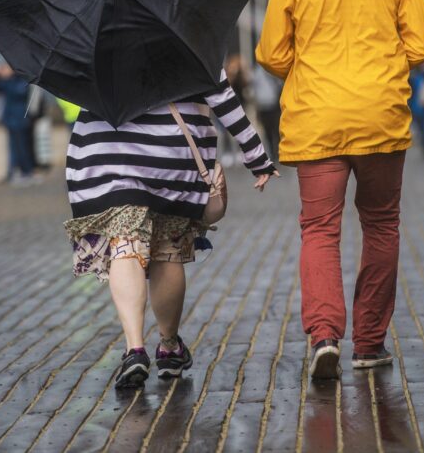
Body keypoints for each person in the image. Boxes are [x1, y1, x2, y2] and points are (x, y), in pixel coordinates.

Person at [256, 0, 424, 380]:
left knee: (319, 229)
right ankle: (370, 342)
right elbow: (422, 44)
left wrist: (310, 67)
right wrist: (383, 66)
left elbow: (271, 53)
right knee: (381, 225)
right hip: (381, 116)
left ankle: (325, 335)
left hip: (316, 120)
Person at [63, 69, 276, 389]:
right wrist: (256, 156)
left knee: (124, 243)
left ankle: (135, 348)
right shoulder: (186, 31)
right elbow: (221, 97)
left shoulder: (92, 36)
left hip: (108, 152)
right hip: (171, 154)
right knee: (167, 249)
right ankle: (169, 346)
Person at [0, 63, 36, 183]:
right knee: (12, 148)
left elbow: (19, 93)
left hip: (21, 119)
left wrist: (6, 78)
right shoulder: (7, 82)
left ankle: (27, 171)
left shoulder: (21, 80)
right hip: (10, 119)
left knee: (23, 148)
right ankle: (12, 171)